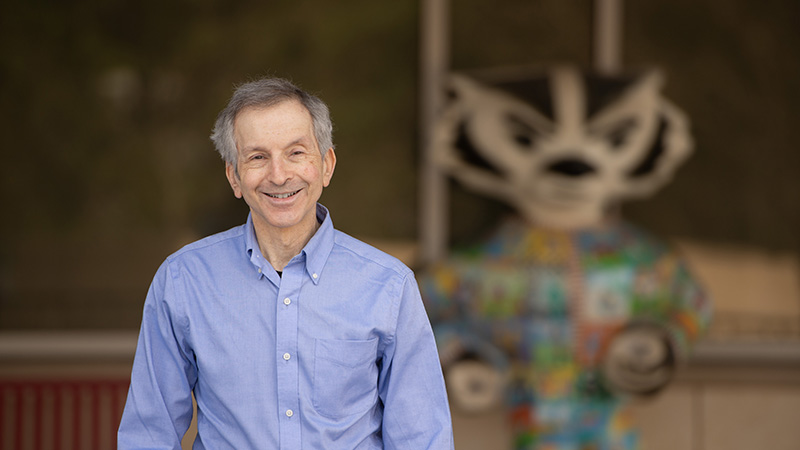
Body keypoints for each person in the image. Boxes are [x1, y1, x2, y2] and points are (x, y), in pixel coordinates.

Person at [118, 77, 454, 449]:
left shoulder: (389, 287)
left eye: (296, 153)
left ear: (325, 165)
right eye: (258, 157)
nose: (279, 175)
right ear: (234, 176)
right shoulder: (183, 281)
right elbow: (148, 435)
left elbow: (423, 440)